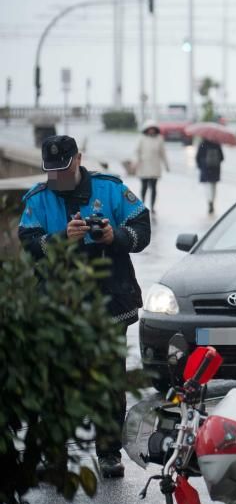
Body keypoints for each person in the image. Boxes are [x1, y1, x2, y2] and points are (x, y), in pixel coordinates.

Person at [18, 135, 150, 478]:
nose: (56, 177)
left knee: (109, 378)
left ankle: (108, 453)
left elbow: (142, 228)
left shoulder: (110, 190)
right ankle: (54, 451)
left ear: (78, 159)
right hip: (58, 304)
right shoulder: (37, 198)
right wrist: (63, 238)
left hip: (110, 298)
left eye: (63, 169)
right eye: (51, 171)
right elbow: (29, 244)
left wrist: (113, 237)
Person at [134, 122, 169, 213]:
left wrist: (166, 165)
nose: (151, 130)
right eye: (150, 129)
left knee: (153, 187)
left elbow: (163, 153)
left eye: (153, 129)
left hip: (155, 167)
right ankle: (142, 205)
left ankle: (152, 206)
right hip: (144, 166)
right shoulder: (142, 139)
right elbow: (137, 151)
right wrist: (136, 163)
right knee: (144, 186)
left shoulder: (159, 139)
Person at [195, 138, 224, 215]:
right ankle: (212, 202)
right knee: (214, 187)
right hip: (215, 169)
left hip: (205, 169)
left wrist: (200, 166)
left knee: (207, 187)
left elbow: (197, 157)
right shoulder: (217, 144)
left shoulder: (202, 144)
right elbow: (222, 157)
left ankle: (209, 202)